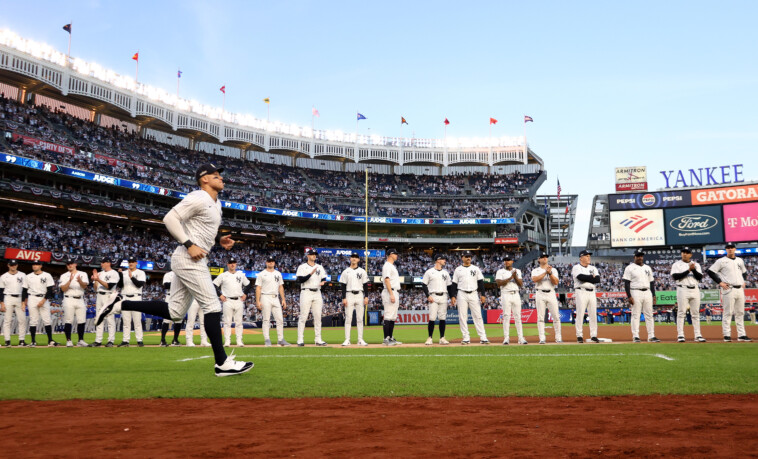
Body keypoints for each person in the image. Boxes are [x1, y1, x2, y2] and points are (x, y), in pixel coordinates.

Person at [97, 163, 253, 376]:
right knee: (212, 305)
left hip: (194, 259)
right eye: (216, 175)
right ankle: (222, 363)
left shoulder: (217, 203)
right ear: (204, 179)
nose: (221, 178)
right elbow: (170, 218)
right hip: (188, 258)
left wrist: (218, 239)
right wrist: (189, 244)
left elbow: (200, 229)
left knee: (175, 313)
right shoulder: (198, 196)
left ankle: (121, 303)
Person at [707, 242, 751, 342]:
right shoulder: (721, 261)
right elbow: (710, 271)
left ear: (735, 249)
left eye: (732, 247)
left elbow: (744, 272)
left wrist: (743, 281)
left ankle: (741, 335)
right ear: (726, 249)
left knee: (740, 312)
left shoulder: (740, 260)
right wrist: (720, 282)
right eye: (728, 248)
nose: (730, 249)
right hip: (728, 289)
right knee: (728, 312)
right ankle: (727, 335)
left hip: (740, 289)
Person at [622, 249, 660, 343]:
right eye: (638, 256)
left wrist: (653, 295)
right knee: (636, 315)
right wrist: (629, 296)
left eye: (641, 256)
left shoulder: (647, 267)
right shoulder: (630, 268)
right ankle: (635, 336)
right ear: (634, 257)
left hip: (647, 291)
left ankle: (651, 335)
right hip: (635, 292)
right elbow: (626, 283)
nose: (640, 258)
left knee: (649, 315)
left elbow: (651, 283)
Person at [452, 251, 489, 345]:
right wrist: (453, 296)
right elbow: (454, 284)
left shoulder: (476, 269)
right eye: (466, 256)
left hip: (473, 293)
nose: (468, 258)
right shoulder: (458, 269)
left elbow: (481, 282)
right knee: (462, 316)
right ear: (462, 257)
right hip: (461, 293)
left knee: (478, 316)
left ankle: (483, 337)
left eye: (469, 256)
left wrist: (483, 294)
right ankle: (466, 337)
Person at [670, 247, 706, 343]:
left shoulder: (696, 264)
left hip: (695, 289)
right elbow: (675, 276)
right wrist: (689, 270)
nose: (685, 254)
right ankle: (680, 335)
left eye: (687, 252)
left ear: (690, 255)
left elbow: (700, 277)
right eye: (683, 252)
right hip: (682, 288)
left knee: (695, 313)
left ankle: (698, 335)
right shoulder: (677, 264)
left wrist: (693, 269)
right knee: (681, 312)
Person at [214, 257, 252, 347]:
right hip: (227, 300)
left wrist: (245, 293)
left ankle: (239, 341)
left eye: (234, 263)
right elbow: (214, 284)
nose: (232, 264)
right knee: (227, 322)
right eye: (230, 263)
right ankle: (227, 341)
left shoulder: (241, 274)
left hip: (239, 299)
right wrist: (220, 295)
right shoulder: (223, 275)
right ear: (228, 264)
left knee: (239, 322)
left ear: (236, 264)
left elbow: (249, 284)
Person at [255, 257, 290, 347]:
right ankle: (267, 339)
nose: (271, 263)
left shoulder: (278, 273)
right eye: (269, 261)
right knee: (266, 319)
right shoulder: (261, 274)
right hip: (265, 296)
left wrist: (283, 299)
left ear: (274, 263)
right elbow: (258, 288)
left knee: (280, 320)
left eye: (272, 261)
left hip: (275, 297)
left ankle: (280, 340)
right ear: (266, 262)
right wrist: (257, 301)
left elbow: (281, 287)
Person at [295, 250, 328, 346]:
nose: (314, 256)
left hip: (317, 292)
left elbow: (324, 279)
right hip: (306, 291)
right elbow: (300, 280)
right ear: (308, 255)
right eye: (312, 254)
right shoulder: (302, 267)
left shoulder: (320, 267)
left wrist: (323, 283)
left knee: (318, 317)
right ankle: (300, 339)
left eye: (315, 255)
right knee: (303, 316)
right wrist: (310, 273)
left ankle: (318, 339)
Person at [421, 254, 455, 345]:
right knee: (432, 318)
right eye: (443, 259)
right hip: (433, 296)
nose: (445, 260)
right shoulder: (429, 272)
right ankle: (429, 338)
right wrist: (428, 296)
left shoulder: (446, 273)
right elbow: (424, 284)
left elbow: (449, 286)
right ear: (438, 260)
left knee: (442, 318)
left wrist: (452, 297)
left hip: (443, 296)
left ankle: (442, 338)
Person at [530, 252, 562, 344]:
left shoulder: (554, 270)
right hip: (540, 293)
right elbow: (535, 279)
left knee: (556, 316)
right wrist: (545, 273)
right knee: (540, 317)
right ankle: (542, 338)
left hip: (551, 293)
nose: (545, 258)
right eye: (542, 257)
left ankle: (558, 337)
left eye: (546, 257)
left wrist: (550, 273)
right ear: (539, 259)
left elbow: (555, 282)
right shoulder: (536, 270)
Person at [24, 261, 57, 347]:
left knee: (47, 319)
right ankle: (33, 341)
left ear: (41, 266)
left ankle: (50, 340)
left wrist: (44, 300)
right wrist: (24, 301)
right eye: (33, 264)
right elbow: (24, 290)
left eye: (37, 264)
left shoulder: (47, 275)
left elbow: (50, 289)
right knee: (33, 320)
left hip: (43, 297)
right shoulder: (28, 276)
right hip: (32, 297)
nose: (35, 266)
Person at [339, 253, 369, 346]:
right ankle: (347, 339)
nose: (354, 259)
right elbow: (343, 286)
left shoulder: (362, 271)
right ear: (350, 259)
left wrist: (366, 296)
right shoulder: (346, 271)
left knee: (360, 319)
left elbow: (365, 285)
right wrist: (343, 298)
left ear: (358, 260)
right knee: (348, 318)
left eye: (356, 257)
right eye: (353, 257)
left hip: (359, 294)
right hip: (349, 294)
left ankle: (360, 339)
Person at [495, 255, 526, 345]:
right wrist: (510, 278)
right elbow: (498, 283)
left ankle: (521, 338)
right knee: (506, 316)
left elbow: (520, 284)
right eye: (505, 260)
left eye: (508, 260)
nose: (507, 261)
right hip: (505, 294)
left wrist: (515, 276)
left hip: (516, 294)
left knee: (518, 317)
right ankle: (506, 338)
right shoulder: (500, 271)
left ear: (512, 261)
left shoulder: (517, 271)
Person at [571, 250, 600, 343]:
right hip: (581, 291)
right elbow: (580, 277)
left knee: (593, 314)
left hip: (592, 292)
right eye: (586, 256)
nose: (589, 257)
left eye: (589, 256)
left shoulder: (593, 267)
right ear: (581, 258)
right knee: (580, 314)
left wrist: (589, 278)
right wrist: (592, 278)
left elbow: (598, 279)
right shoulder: (576, 267)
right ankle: (579, 335)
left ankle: (594, 335)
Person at [59, 259, 90, 347]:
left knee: (82, 320)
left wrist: (79, 280)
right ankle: (68, 340)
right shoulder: (64, 276)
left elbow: (84, 286)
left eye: (71, 263)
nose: (69, 265)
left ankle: (81, 340)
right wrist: (69, 280)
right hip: (69, 298)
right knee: (69, 320)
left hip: (80, 298)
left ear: (75, 264)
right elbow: (63, 289)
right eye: (68, 264)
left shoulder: (83, 274)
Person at [91, 257, 120, 347]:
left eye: (103, 262)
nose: (101, 264)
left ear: (108, 263)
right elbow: (95, 289)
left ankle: (111, 340)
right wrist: (95, 280)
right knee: (99, 318)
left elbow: (109, 286)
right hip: (99, 295)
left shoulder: (114, 273)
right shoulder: (100, 273)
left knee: (110, 319)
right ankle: (98, 340)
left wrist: (98, 279)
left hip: (109, 296)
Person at [118, 257, 146, 347]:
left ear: (136, 263)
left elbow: (139, 285)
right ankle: (125, 341)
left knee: (137, 321)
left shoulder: (141, 272)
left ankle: (139, 340)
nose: (131, 263)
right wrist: (120, 276)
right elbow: (120, 285)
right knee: (126, 321)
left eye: (133, 262)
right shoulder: (123, 272)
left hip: (136, 297)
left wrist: (131, 277)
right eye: (129, 262)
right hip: (125, 297)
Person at [1, 260, 28, 347]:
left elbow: (25, 289)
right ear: (8, 265)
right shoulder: (3, 276)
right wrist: (2, 303)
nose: (13, 266)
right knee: (7, 320)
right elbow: (0, 291)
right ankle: (7, 341)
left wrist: (24, 301)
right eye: (11, 265)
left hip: (20, 298)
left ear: (17, 265)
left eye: (15, 265)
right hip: (8, 297)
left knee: (22, 320)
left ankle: (21, 340)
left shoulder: (23, 275)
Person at [381, 248, 403, 346]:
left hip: (395, 291)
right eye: (395, 253)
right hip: (390, 292)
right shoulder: (387, 266)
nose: (396, 255)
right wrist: (391, 294)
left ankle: (390, 337)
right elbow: (386, 280)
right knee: (388, 316)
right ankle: (386, 339)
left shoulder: (392, 266)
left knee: (393, 317)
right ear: (390, 254)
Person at [159, 271, 182, 347]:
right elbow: (166, 285)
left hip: (180, 297)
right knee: (167, 319)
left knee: (179, 319)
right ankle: (162, 340)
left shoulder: (183, 273)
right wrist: (179, 283)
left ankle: (175, 340)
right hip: (170, 297)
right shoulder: (169, 274)